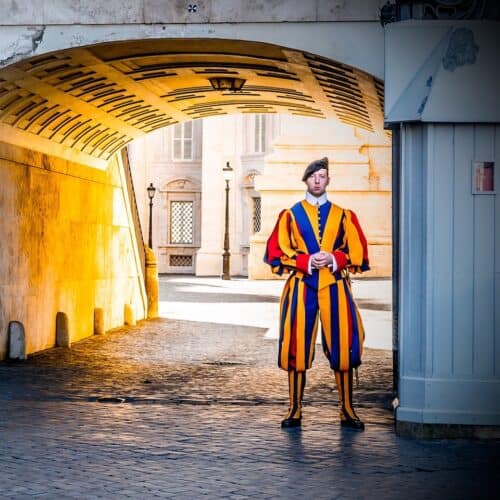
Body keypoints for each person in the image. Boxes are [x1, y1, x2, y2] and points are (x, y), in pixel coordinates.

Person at [264, 157, 369, 430]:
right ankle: (294, 409)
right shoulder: (290, 215)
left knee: (344, 345)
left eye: (322, 176)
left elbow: (356, 251)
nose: (318, 180)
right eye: (314, 177)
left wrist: (334, 258)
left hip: (335, 285)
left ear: (328, 180)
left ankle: (347, 409)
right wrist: (307, 261)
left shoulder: (343, 215)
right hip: (301, 285)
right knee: (296, 347)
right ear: (306, 180)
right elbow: (277, 251)